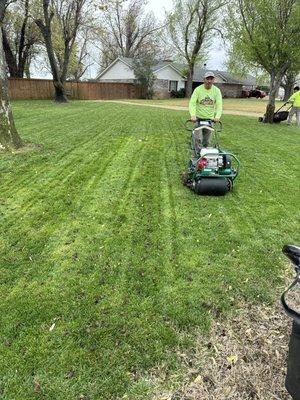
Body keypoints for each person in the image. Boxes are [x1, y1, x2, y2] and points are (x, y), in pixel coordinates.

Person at [189, 71, 222, 150]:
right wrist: (193, 115)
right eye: (207, 79)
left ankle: (205, 156)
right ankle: (196, 155)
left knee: (206, 141)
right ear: (204, 79)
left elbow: (219, 105)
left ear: (213, 80)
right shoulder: (198, 90)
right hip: (198, 119)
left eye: (211, 79)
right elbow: (192, 103)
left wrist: (217, 116)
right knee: (197, 139)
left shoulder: (216, 91)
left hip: (210, 120)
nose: (209, 81)